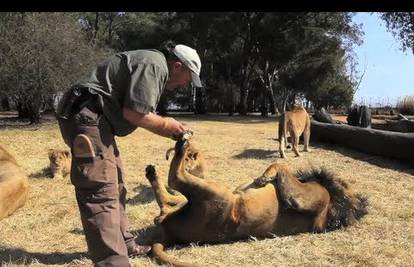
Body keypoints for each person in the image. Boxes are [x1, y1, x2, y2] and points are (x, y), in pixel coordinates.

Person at [55, 41, 202, 267]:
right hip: (88, 117)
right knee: (100, 191)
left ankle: (124, 244)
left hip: (97, 120)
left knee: (118, 184)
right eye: (188, 78)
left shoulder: (153, 64)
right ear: (178, 66)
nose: (185, 85)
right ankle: (113, 262)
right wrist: (167, 125)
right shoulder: (155, 65)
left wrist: (168, 126)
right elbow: (135, 113)